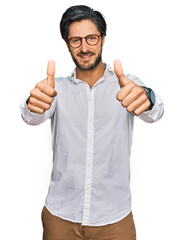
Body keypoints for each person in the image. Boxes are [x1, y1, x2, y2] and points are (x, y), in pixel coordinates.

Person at [20, 5, 164, 240]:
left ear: (103, 39)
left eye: (91, 38)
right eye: (76, 40)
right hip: (60, 217)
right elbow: (31, 116)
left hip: (114, 220)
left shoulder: (126, 85)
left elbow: (155, 112)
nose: (85, 47)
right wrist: (32, 103)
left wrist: (146, 98)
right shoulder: (56, 89)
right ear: (67, 44)